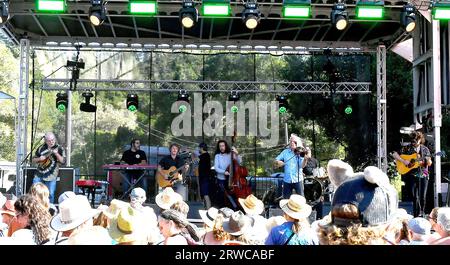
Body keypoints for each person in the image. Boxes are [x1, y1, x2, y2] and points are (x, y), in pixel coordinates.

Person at [392, 131, 432, 217]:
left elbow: (429, 163)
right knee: (414, 196)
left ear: (420, 139)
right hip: (411, 175)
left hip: (423, 174)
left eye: (416, 140)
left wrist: (428, 161)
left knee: (422, 196)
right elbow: (394, 154)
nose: (414, 142)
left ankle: (422, 213)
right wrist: (404, 161)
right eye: (413, 140)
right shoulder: (407, 148)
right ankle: (415, 214)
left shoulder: (425, 149)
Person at [31, 132, 66, 204]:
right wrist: (39, 159)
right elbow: (33, 160)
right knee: (35, 194)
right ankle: (36, 210)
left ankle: (49, 212)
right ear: (46, 141)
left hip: (51, 175)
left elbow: (63, 161)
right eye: (49, 141)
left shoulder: (59, 148)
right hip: (39, 174)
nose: (51, 142)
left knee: (50, 195)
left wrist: (56, 153)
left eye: (53, 140)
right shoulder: (41, 148)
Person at [274, 134, 306, 199]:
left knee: (301, 200)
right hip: (287, 180)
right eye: (290, 141)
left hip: (298, 179)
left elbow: (301, 166)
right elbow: (276, 160)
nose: (292, 143)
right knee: (286, 200)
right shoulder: (285, 152)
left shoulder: (300, 152)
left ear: (297, 143)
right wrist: (278, 162)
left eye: (294, 141)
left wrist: (305, 159)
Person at [214, 140, 242, 209]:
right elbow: (216, 168)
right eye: (220, 146)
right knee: (222, 197)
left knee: (231, 197)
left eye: (223, 146)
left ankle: (233, 209)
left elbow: (239, 162)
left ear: (226, 146)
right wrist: (224, 172)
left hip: (231, 179)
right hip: (221, 180)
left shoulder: (230, 154)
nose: (221, 147)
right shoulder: (217, 156)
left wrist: (237, 153)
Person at [198, 142, 212, 209]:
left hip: (205, 178)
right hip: (203, 178)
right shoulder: (205, 156)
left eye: (199, 148)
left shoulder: (205, 155)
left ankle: (208, 209)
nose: (199, 150)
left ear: (201, 148)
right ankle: (205, 208)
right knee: (204, 194)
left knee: (205, 194)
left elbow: (197, 158)